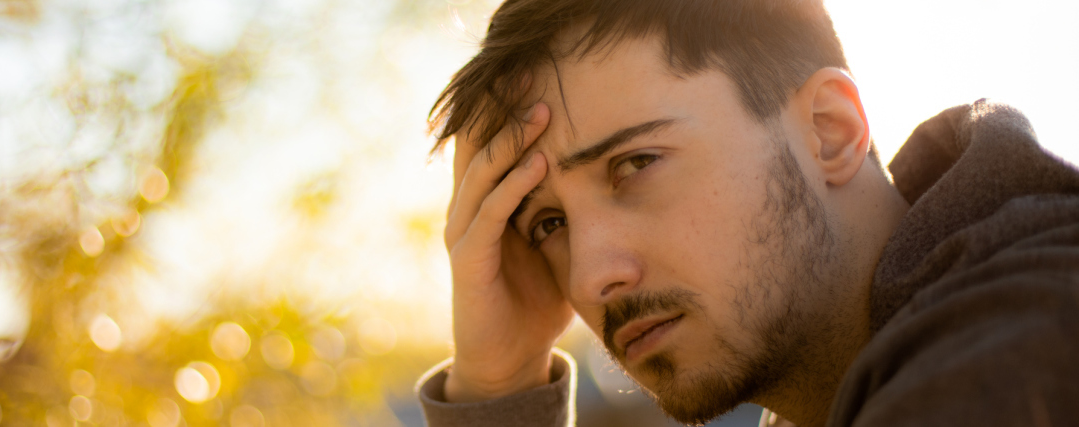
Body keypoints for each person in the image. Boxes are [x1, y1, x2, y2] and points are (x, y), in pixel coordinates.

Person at [413, 0, 1079, 426]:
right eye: (549, 224)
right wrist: (499, 380)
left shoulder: (1015, 353)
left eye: (636, 163)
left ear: (829, 130)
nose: (590, 278)